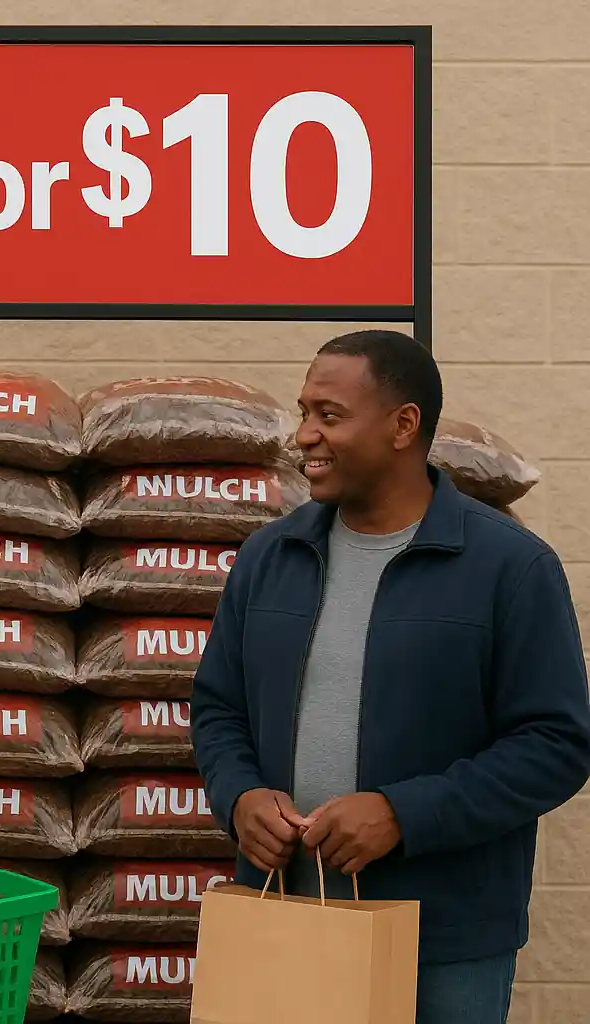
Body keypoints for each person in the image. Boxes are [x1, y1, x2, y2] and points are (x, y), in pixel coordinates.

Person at [190, 330, 590, 1024]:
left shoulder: (510, 568)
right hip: (286, 914)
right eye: (303, 412)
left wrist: (404, 814)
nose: (304, 436)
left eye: (330, 416)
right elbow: (217, 708)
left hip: (446, 942)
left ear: (404, 425)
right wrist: (240, 796)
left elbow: (556, 745)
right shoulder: (268, 557)